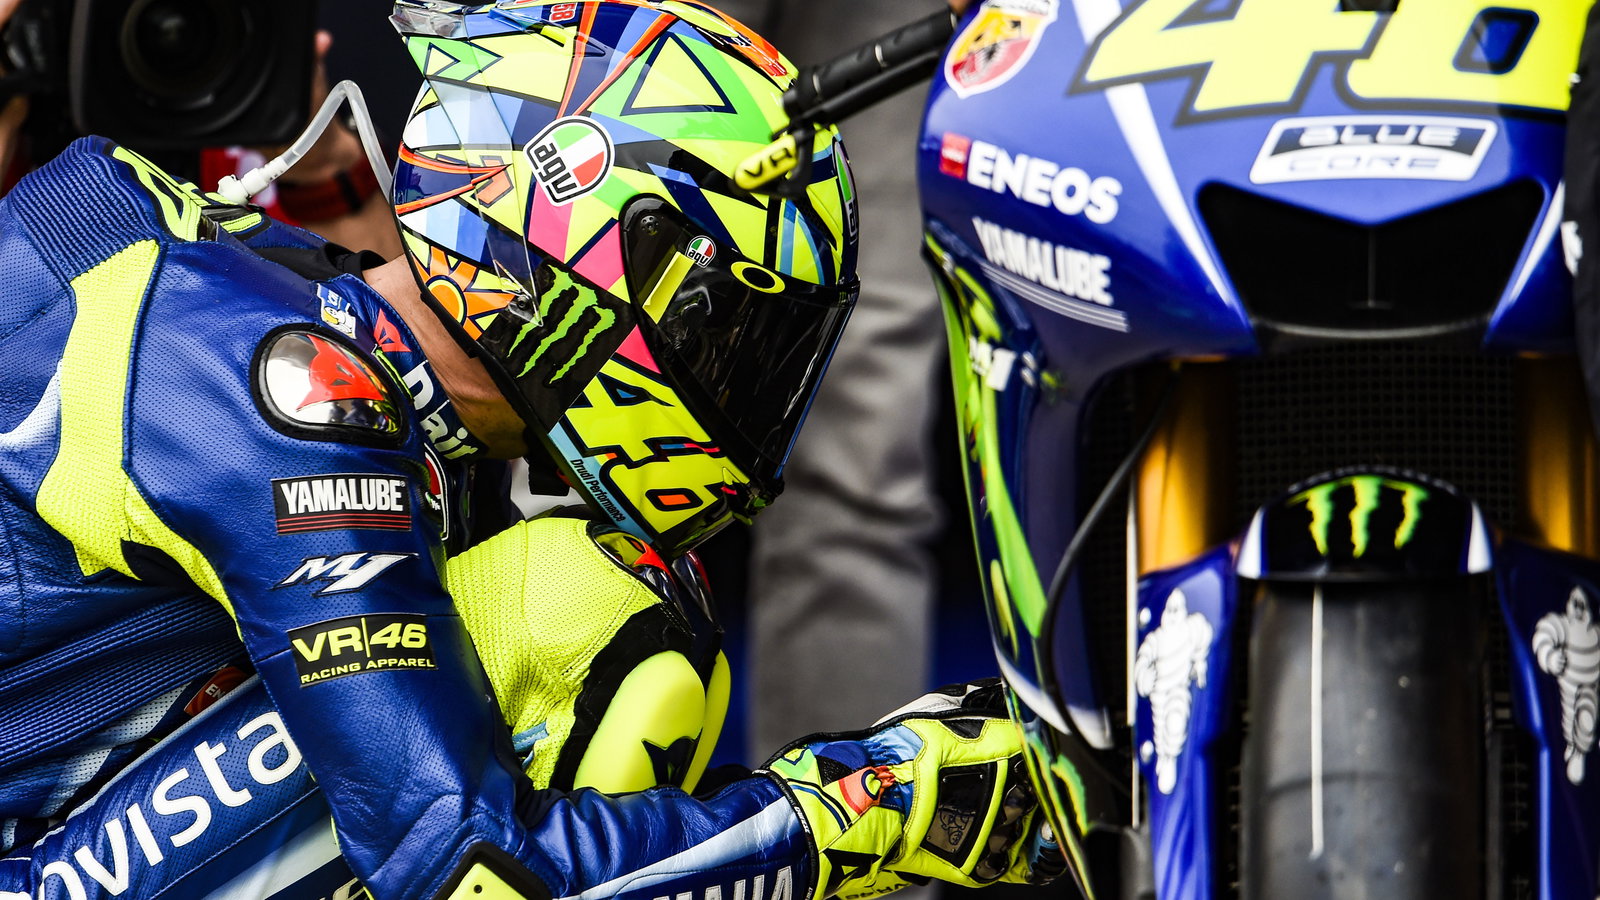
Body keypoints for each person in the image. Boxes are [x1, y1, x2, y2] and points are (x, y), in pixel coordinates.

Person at [0, 3, 1048, 900]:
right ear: (574, 263)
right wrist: (873, 809)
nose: (740, 384)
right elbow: (467, 868)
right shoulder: (293, 397)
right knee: (594, 619)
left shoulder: (259, 295)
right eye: (722, 331)